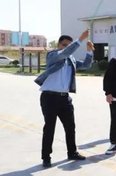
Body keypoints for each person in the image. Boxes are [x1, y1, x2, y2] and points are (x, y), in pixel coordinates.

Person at [34, 29, 93, 168]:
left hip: (65, 99)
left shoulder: (71, 60)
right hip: (49, 97)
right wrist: (80, 39)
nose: (67, 48)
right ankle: (46, 157)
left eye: (69, 45)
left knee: (70, 127)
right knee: (50, 128)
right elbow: (65, 53)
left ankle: (72, 152)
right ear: (59, 45)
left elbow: (86, 65)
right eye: (64, 45)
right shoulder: (53, 56)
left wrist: (89, 51)